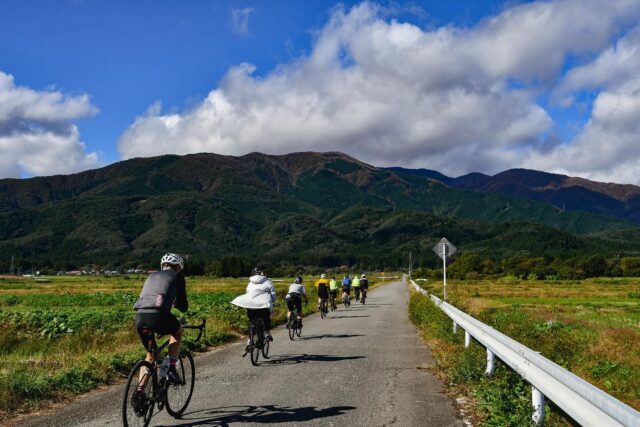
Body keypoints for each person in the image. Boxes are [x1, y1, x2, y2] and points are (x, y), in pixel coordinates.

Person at [133, 253, 187, 388]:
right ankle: (172, 369)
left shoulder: (150, 276)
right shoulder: (178, 276)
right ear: (178, 267)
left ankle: (139, 392)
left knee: (150, 356)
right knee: (177, 332)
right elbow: (183, 306)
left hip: (140, 316)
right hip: (159, 315)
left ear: (163, 265)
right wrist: (177, 304)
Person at [231, 266, 276, 349]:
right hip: (263, 305)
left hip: (250, 305)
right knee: (266, 318)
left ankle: (249, 340)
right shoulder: (268, 281)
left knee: (252, 322)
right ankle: (267, 333)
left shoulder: (250, 282)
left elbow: (247, 292)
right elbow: (272, 294)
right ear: (263, 273)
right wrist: (273, 302)